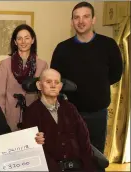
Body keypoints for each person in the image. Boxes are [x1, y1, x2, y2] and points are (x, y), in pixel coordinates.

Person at [50, 1, 123, 156]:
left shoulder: (108, 45)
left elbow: (116, 74)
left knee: (95, 158)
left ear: (93, 20)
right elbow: (55, 79)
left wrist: (96, 86)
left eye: (85, 16)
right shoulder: (62, 49)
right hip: (70, 113)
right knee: (71, 157)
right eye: (76, 17)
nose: (81, 21)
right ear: (72, 22)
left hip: (98, 114)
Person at [21, 69, 95, 172]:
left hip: (77, 166)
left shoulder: (70, 108)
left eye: (56, 82)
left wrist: (88, 167)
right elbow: (34, 149)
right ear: (39, 85)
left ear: (60, 87)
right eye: (48, 82)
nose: (53, 85)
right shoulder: (31, 113)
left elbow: (84, 139)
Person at [0, 24, 48, 131]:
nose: (23, 42)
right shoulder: (5, 64)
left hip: (34, 115)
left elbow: (44, 95)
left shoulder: (42, 65)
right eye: (19, 38)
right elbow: (0, 95)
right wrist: (1, 118)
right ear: (15, 42)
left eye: (27, 38)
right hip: (11, 116)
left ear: (32, 40)